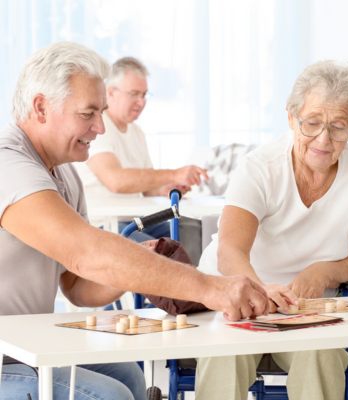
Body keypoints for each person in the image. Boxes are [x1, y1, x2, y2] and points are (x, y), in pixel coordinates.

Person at [0, 41, 269, 400]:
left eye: (102, 112)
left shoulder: (65, 175)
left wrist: (137, 262)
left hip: (21, 347)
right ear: (41, 107)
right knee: (112, 395)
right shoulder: (8, 163)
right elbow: (85, 254)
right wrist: (211, 288)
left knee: (130, 374)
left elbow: (77, 286)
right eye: (88, 113)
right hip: (8, 358)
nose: (100, 127)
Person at [195, 60, 348, 400]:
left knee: (323, 355)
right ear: (291, 118)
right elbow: (230, 250)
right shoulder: (260, 168)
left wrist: (322, 273)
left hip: (306, 307)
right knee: (225, 354)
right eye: (312, 123)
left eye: (338, 127)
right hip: (238, 293)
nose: (323, 139)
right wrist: (258, 289)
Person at [75, 57, 209, 242]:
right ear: (111, 93)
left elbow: (148, 189)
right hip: (104, 224)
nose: (142, 102)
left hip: (133, 220)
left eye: (144, 94)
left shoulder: (136, 132)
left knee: (193, 232)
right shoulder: (98, 127)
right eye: (134, 94)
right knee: (164, 252)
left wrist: (167, 188)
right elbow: (115, 181)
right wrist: (173, 174)